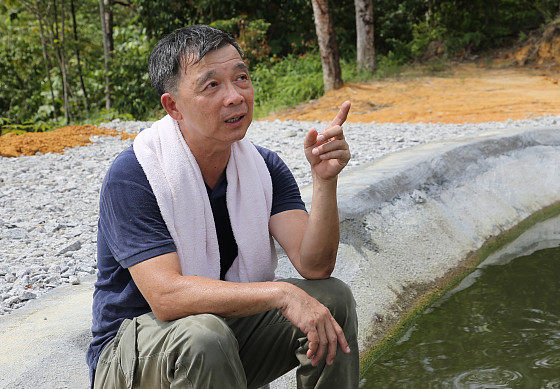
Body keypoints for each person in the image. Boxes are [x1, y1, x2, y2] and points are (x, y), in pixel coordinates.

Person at [86, 25, 358, 388]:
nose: (235, 96)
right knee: (205, 335)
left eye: (241, 77)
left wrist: (325, 180)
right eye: (212, 85)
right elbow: (166, 296)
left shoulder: (263, 168)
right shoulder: (136, 173)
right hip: (132, 357)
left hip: (218, 335)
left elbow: (316, 264)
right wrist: (279, 292)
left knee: (332, 298)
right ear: (173, 106)